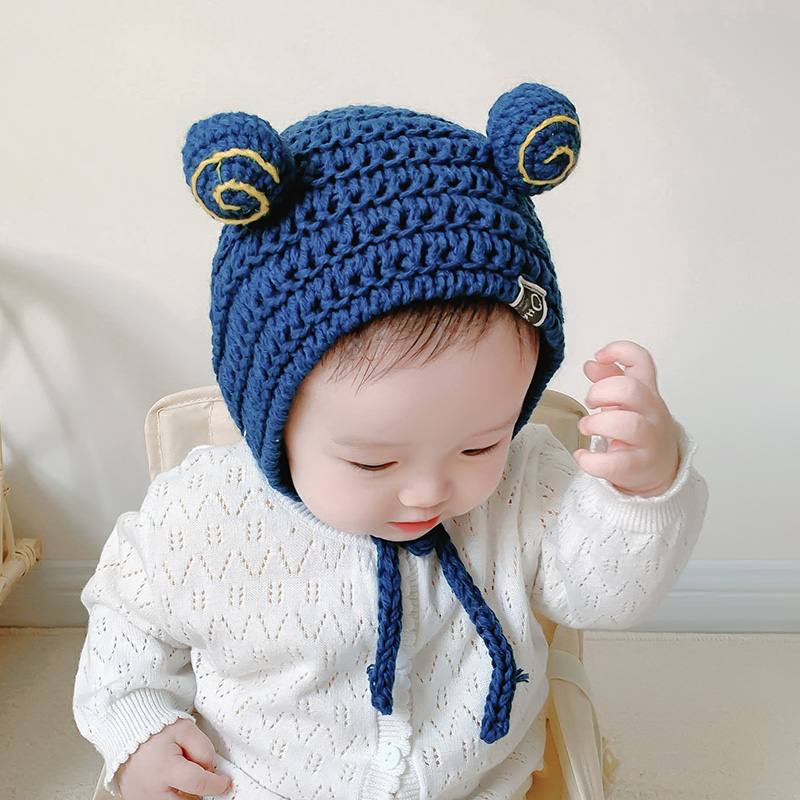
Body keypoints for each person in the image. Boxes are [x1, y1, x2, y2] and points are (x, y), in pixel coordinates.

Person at [73, 83, 707, 800]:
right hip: (260, 783)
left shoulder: (527, 486)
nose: (429, 491)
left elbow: (606, 597)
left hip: (480, 784)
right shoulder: (204, 515)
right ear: (268, 420)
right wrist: (137, 727)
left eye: (480, 445)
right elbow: (127, 622)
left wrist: (641, 490)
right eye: (371, 460)